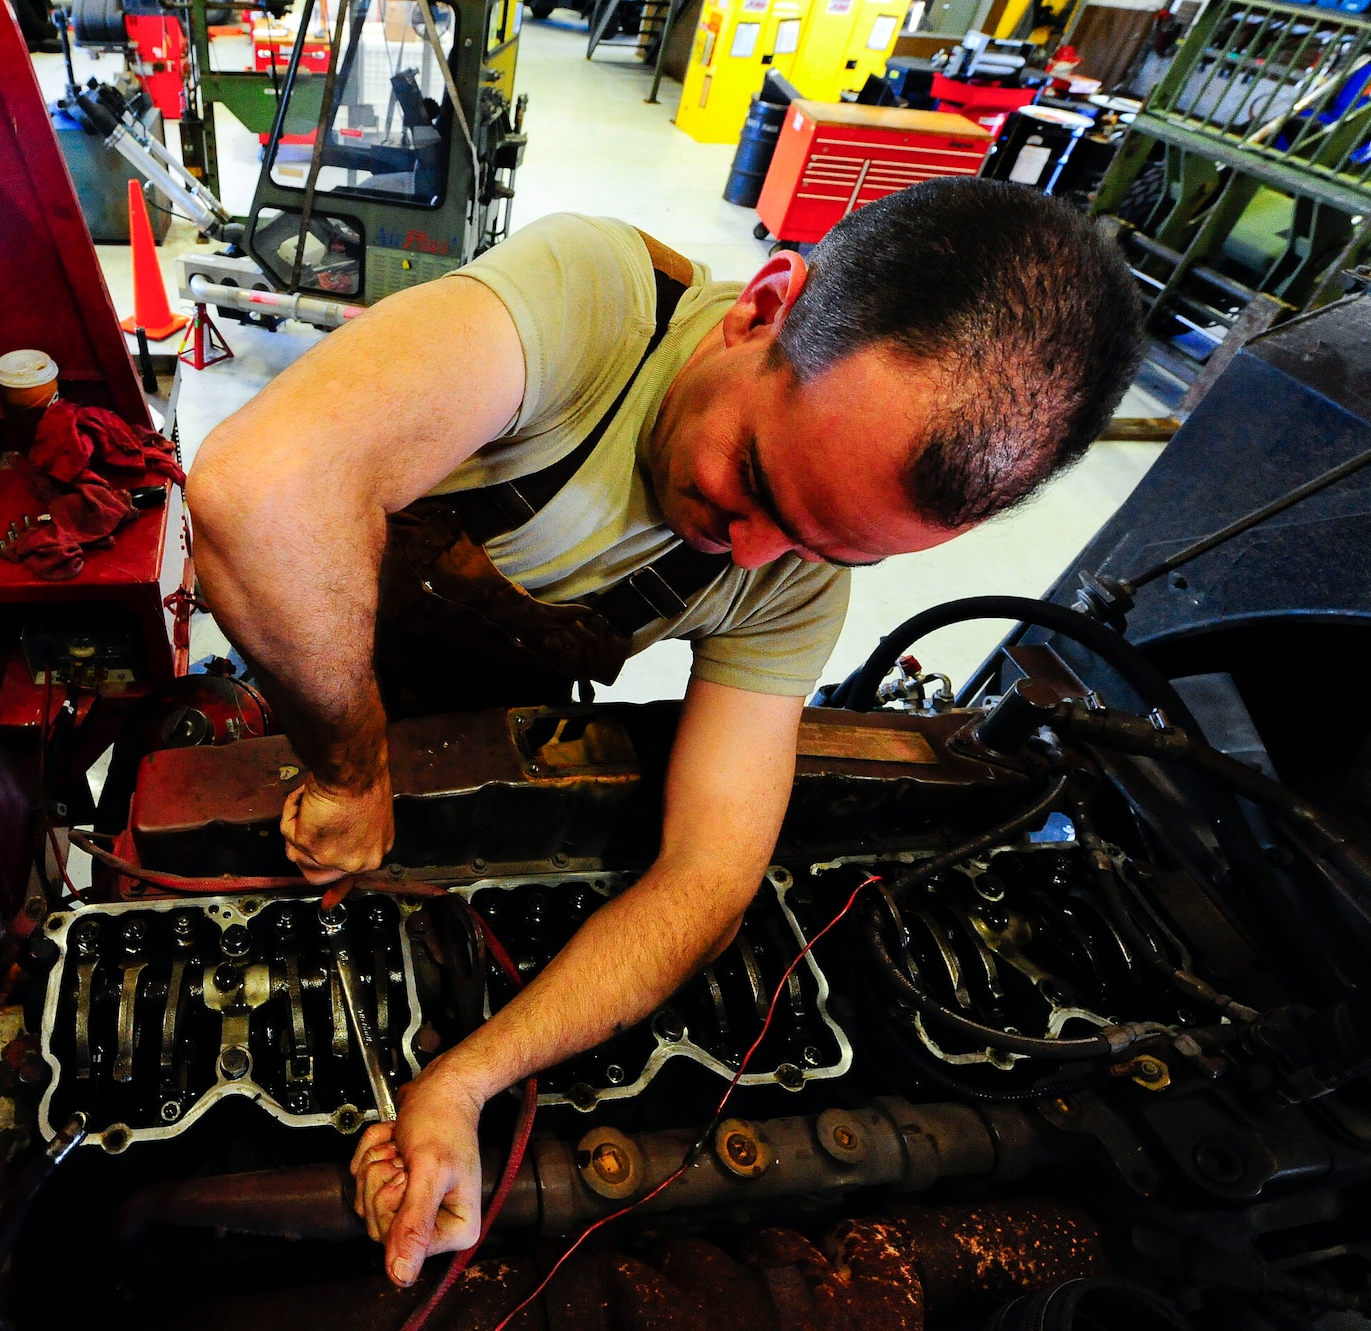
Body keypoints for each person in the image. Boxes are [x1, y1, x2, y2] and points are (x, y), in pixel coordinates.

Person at [185, 177, 1143, 1290]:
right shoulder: (589, 307)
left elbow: (707, 875)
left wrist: (462, 1081)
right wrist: (350, 769)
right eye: (752, 479)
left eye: (829, 547)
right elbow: (261, 491)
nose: (748, 557)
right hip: (303, 690)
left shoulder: (783, 584)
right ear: (764, 306)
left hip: (485, 728)